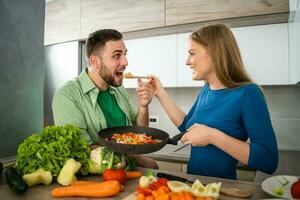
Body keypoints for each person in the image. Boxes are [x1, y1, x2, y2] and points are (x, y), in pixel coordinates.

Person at [151, 24, 278, 179]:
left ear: (214, 53)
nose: (187, 61)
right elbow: (188, 127)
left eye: (192, 53)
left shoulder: (249, 93)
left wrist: (213, 136)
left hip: (221, 189)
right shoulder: (207, 89)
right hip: (194, 186)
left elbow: (269, 160)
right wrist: (160, 93)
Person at [52, 29, 157, 169]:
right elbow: (83, 149)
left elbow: (139, 132)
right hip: (96, 180)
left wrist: (143, 106)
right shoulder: (67, 95)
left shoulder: (118, 89)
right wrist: (136, 159)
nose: (126, 62)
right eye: (117, 56)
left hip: (127, 172)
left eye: (124, 54)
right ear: (95, 61)